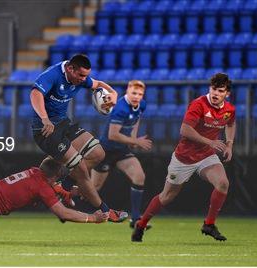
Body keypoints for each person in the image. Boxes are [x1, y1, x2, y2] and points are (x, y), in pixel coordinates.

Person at [132, 73, 236, 242]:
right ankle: (141, 224)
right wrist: (210, 141)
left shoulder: (229, 109)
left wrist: (229, 144)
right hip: (184, 158)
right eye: (214, 89)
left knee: (223, 183)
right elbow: (185, 130)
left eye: (220, 90)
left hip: (206, 156)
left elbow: (231, 123)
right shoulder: (199, 104)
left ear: (227, 94)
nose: (216, 93)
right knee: (167, 196)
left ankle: (209, 224)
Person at [30, 54, 125, 221]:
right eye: (81, 75)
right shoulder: (52, 75)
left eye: (86, 75)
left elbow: (98, 84)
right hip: (45, 129)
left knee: (98, 154)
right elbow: (35, 94)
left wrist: (114, 93)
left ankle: (59, 186)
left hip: (63, 124)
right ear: (69, 69)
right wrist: (44, 118)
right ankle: (106, 211)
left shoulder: (81, 78)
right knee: (80, 168)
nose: (84, 79)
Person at [91, 80, 153, 229]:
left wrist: (133, 137)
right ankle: (66, 197)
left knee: (139, 177)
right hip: (106, 150)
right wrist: (136, 141)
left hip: (121, 150)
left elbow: (136, 119)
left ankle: (136, 219)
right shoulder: (120, 108)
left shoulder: (141, 104)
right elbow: (113, 135)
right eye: (133, 93)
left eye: (139, 94)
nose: (136, 97)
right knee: (93, 188)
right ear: (127, 91)